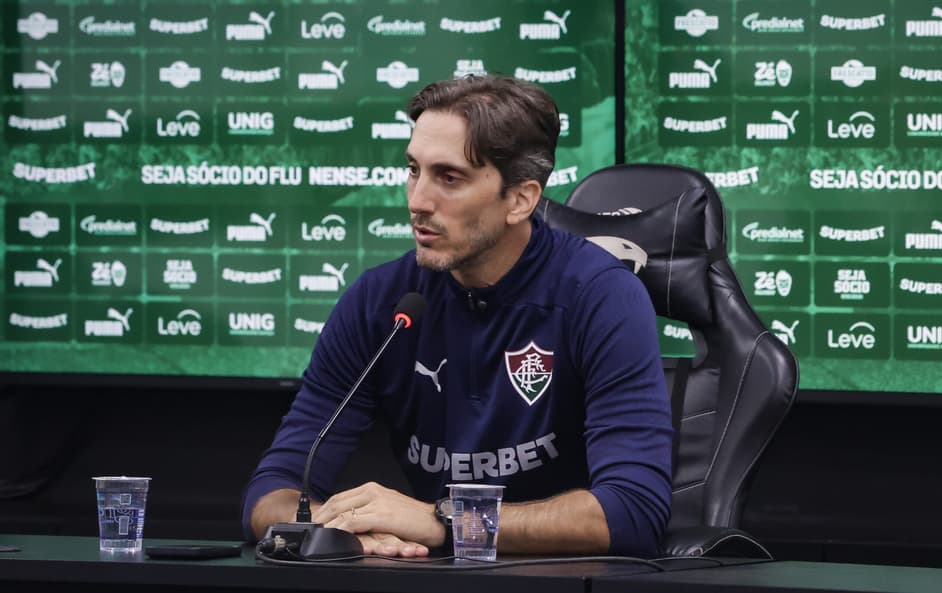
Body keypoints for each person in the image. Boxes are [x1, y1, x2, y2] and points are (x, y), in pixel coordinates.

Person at [242, 74, 672, 558]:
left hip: (569, 580)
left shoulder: (601, 296)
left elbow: (634, 513)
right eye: (413, 170)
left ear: (520, 199)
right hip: (432, 578)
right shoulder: (381, 302)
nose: (417, 201)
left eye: (449, 178)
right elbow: (271, 492)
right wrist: (337, 530)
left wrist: (445, 520)